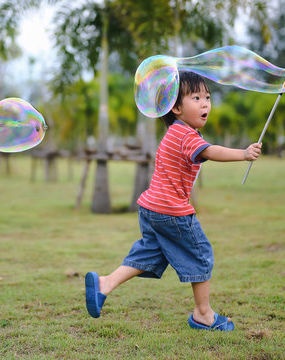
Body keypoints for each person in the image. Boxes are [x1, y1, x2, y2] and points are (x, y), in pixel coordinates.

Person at [85, 71, 262, 331]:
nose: (205, 104)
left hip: (151, 208)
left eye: (208, 97)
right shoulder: (186, 135)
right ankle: (203, 314)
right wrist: (243, 153)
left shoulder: (175, 132)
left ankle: (105, 284)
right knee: (200, 255)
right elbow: (210, 151)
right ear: (177, 107)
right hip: (171, 211)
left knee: (150, 255)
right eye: (197, 97)